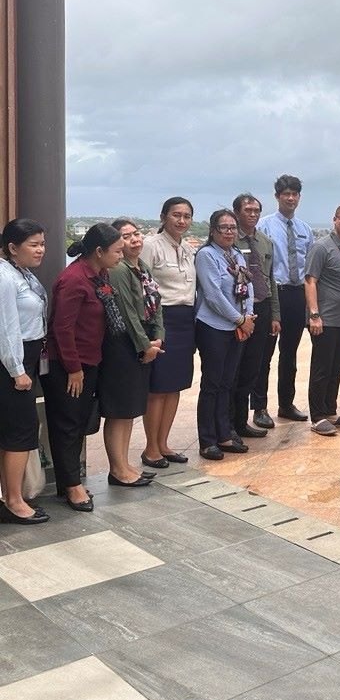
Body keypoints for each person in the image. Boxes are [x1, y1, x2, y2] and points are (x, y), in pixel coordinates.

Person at [43, 223, 124, 512]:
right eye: (117, 251)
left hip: (90, 360)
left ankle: (70, 480)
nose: (121, 256)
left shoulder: (99, 274)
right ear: (99, 251)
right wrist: (74, 368)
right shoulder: (74, 279)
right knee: (67, 424)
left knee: (78, 422)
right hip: (68, 365)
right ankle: (71, 486)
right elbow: (61, 329)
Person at [99, 219, 164, 487]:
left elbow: (156, 303)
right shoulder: (118, 270)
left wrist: (158, 336)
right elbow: (127, 313)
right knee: (120, 410)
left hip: (144, 341)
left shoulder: (142, 266)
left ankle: (124, 465)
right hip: (124, 345)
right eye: (126, 237)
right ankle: (117, 469)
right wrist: (145, 346)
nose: (134, 239)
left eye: (136, 233)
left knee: (129, 410)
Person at [140, 196, 195, 469]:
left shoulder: (187, 248)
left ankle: (163, 443)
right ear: (163, 217)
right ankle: (150, 448)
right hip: (162, 319)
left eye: (186, 216)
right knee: (158, 387)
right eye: (176, 215)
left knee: (175, 386)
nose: (181, 221)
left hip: (186, 320)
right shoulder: (151, 245)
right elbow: (141, 284)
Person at [0, 218, 50, 524]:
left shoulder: (23, 273)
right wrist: (17, 370)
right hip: (12, 363)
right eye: (34, 245)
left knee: (15, 431)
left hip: (27, 357)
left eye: (42, 244)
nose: (41, 250)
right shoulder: (5, 277)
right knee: (20, 432)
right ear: (12, 247)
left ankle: (11, 495)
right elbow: (6, 328)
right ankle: (15, 502)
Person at [194, 209, 254, 460]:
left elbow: (248, 286)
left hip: (236, 327)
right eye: (224, 227)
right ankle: (208, 440)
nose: (229, 232)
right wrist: (239, 319)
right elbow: (213, 295)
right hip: (213, 327)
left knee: (227, 383)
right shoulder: (207, 255)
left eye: (233, 228)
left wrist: (248, 316)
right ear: (213, 230)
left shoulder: (237, 254)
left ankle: (225, 434)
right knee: (212, 384)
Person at [257, 174, 312, 422]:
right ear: (277, 197)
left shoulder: (305, 230)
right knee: (264, 353)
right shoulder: (265, 226)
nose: (290, 198)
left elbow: (309, 268)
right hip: (273, 294)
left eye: (294, 194)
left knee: (290, 353)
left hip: (296, 294)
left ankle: (286, 404)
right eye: (286, 194)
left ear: (299, 197)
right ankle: (259, 408)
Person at [304, 204, 340, 435]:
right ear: (335, 219)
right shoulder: (321, 247)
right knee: (322, 369)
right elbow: (310, 281)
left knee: (336, 368)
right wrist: (314, 315)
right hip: (325, 320)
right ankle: (318, 416)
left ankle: (330, 410)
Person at [231, 193, 280, 438]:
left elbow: (270, 279)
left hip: (262, 306)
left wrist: (275, 314)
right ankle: (230, 422)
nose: (253, 214)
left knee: (257, 364)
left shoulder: (266, 242)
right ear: (236, 213)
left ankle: (247, 418)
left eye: (256, 211)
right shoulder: (229, 240)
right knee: (235, 366)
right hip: (238, 310)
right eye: (247, 210)